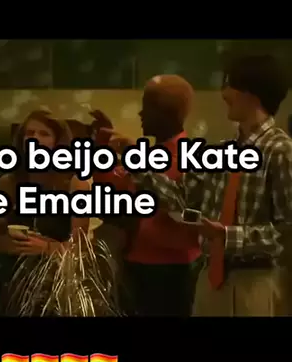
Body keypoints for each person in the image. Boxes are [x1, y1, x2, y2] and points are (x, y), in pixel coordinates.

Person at [105, 55, 292, 316]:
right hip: (210, 278)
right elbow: (181, 199)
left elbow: (287, 232)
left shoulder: (280, 150)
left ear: (250, 92)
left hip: (253, 281)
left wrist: (227, 236)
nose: (223, 94)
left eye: (229, 85)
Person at [91, 76, 202, 316]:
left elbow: (175, 203)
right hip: (137, 264)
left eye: (148, 106)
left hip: (172, 272)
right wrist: (102, 145)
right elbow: (110, 188)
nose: (141, 114)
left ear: (167, 113)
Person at [0, 109, 91, 313]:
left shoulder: (75, 184)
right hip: (15, 281)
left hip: (57, 284)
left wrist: (46, 248)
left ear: (58, 143)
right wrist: (7, 243)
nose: (34, 138)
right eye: (29, 133)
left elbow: (80, 249)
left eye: (44, 134)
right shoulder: (8, 182)